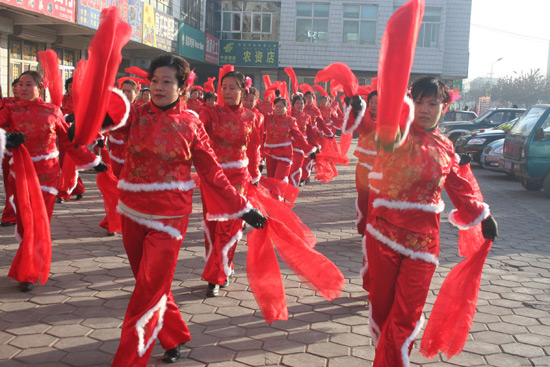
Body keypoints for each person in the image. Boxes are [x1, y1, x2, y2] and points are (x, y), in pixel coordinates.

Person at [101, 54, 265, 366]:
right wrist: (86, 125)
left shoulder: (190, 124)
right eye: (154, 81)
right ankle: (173, 335)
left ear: (182, 89)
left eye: (167, 82)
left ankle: (128, 360)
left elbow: (213, 173)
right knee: (149, 285)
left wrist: (241, 207)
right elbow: (104, 127)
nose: (159, 87)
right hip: (131, 212)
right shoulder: (133, 115)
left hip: (169, 221)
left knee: (148, 290)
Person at [365, 76, 498, 366]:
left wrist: (482, 215)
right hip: (384, 237)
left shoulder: (446, 147)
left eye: (432, 103)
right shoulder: (397, 134)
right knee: (383, 312)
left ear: (444, 107)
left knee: (406, 317)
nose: (425, 109)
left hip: (424, 245)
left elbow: (460, 187)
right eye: (419, 102)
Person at [0, 70, 104, 292]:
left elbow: (69, 142)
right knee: (26, 222)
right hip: (20, 173)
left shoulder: (52, 111)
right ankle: (27, 265)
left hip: (47, 175)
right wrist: (5, 138)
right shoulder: (9, 110)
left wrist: (93, 162)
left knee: (39, 223)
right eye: (19, 84)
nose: (22, 88)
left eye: (28, 84)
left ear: (41, 88)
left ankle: (27, 271)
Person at [199, 70, 263, 297]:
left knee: (230, 227)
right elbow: (196, 131)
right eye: (223, 87)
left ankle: (215, 277)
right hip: (213, 179)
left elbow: (254, 149)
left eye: (232, 87)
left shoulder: (252, 117)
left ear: (242, 91)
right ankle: (224, 267)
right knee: (213, 226)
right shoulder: (210, 113)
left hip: (239, 179)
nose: (227, 92)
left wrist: (255, 176)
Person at [264, 97, 315, 182]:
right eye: (276, 106)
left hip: (284, 154)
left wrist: (309, 150)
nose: (278, 109)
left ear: (287, 108)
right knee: (271, 180)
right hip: (270, 154)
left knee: (279, 178)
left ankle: (282, 192)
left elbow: (299, 136)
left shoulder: (290, 120)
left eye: (281, 107)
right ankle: (274, 195)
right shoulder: (268, 118)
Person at [57, 77, 87, 203]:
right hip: (62, 134)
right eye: (69, 86)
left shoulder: (82, 101)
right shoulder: (62, 99)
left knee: (70, 163)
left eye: (74, 87)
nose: (71, 89)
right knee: (63, 163)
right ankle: (78, 188)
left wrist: (74, 118)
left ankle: (64, 192)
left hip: (74, 136)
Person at [354, 90, 377, 238]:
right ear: (368, 103)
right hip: (363, 165)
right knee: (363, 199)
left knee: (376, 201)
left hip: (382, 167)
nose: (375, 105)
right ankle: (364, 230)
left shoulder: (389, 118)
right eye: (372, 102)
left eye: (378, 102)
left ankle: (374, 230)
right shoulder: (362, 116)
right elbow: (353, 124)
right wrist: (353, 107)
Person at [242, 86, 265, 183]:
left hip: (253, 154)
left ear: (256, 101)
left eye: (251, 101)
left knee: (253, 180)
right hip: (239, 152)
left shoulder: (259, 117)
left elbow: (261, 139)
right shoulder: (236, 114)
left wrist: (261, 159)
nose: (248, 103)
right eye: (246, 100)